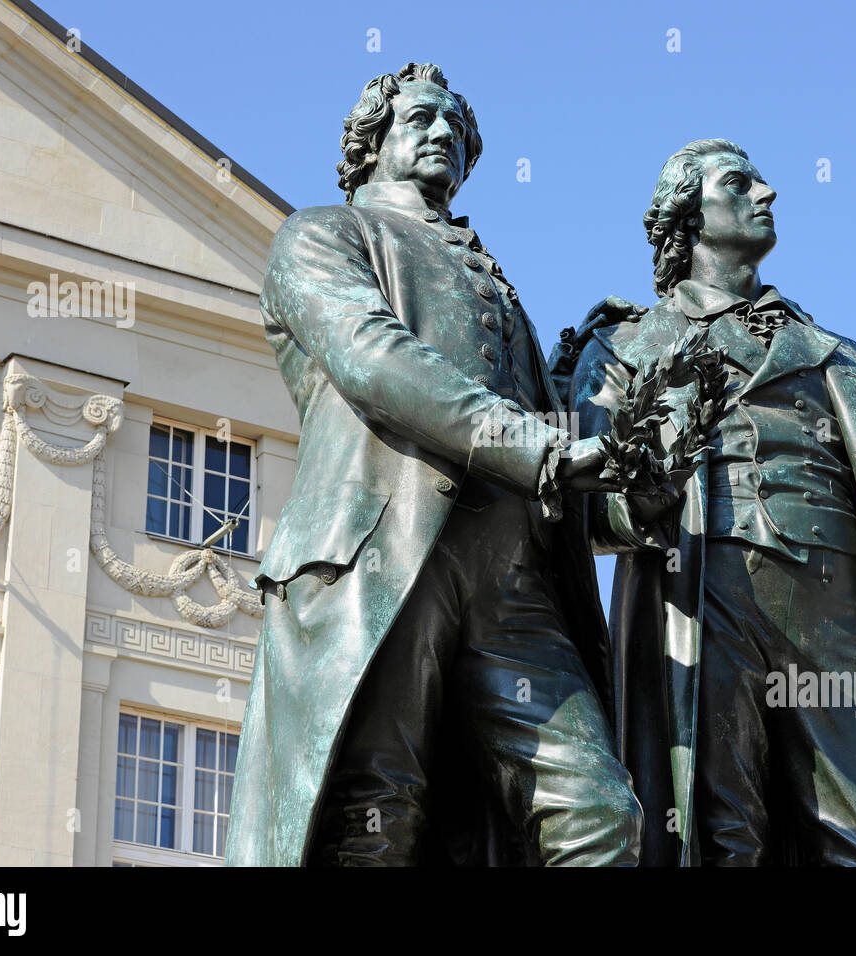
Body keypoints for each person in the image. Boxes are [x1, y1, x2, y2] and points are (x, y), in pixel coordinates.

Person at [555, 139, 856, 866]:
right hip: (703, 598)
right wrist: (645, 502)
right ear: (687, 215)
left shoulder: (828, 353)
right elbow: (585, 507)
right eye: (740, 182)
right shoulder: (624, 342)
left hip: (836, 605)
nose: (768, 191)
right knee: (727, 841)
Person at [225, 63, 650, 866]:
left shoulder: (501, 290)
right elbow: (373, 358)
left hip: (515, 577)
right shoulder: (322, 235)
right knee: (375, 814)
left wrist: (630, 489)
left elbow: (560, 435)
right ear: (372, 140)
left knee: (598, 812)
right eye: (421, 118)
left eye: (456, 126)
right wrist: (539, 447)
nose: (443, 134)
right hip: (375, 553)